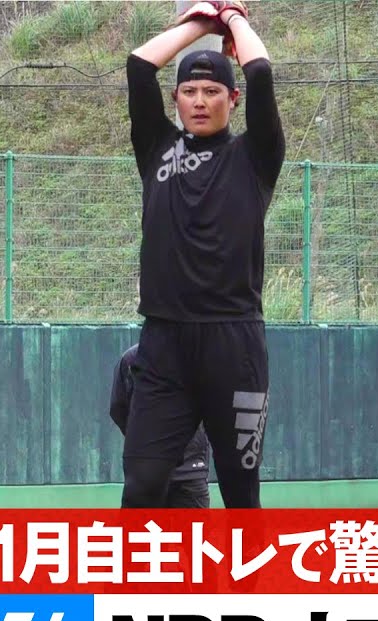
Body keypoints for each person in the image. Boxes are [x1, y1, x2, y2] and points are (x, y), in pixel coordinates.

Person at [121, 2, 284, 508]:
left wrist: (232, 19)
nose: (199, 100)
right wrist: (199, 25)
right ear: (175, 98)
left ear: (232, 100)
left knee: (240, 495)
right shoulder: (157, 148)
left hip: (234, 345)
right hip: (164, 343)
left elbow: (260, 73)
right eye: (189, 91)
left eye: (212, 91)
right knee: (142, 485)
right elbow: (139, 66)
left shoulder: (254, 157)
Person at [110, 344, 212, 508]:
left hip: (170, 471)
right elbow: (118, 408)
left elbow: (117, 409)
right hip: (173, 471)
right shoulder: (198, 357)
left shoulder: (132, 357)